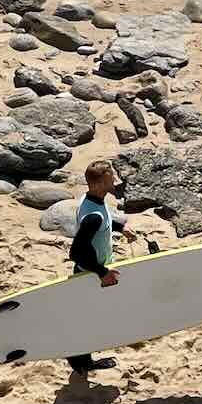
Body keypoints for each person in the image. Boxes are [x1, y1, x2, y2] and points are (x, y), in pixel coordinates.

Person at [65, 159, 122, 377]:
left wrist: (119, 228)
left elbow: (103, 222)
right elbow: (76, 252)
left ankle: (80, 359)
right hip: (89, 274)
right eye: (110, 179)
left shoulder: (92, 200)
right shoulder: (93, 217)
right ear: (97, 184)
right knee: (87, 321)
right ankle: (81, 362)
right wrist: (102, 272)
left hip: (93, 271)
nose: (114, 182)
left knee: (88, 318)